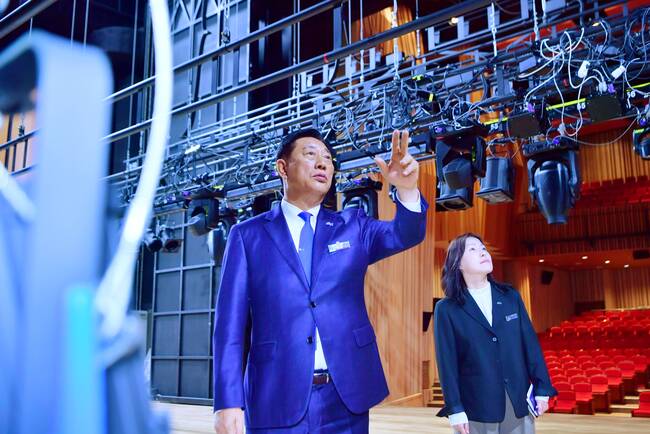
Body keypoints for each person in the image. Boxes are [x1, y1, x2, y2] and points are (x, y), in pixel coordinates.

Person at [212, 128, 428, 434]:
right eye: (310, 154)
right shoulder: (247, 236)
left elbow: (405, 234)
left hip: (346, 397)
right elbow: (229, 327)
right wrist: (228, 401)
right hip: (275, 396)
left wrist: (407, 190)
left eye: (328, 158)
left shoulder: (352, 225)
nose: (323, 163)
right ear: (283, 167)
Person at [434, 233, 556, 434]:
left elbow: (530, 345)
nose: (483, 252)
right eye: (473, 249)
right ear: (458, 263)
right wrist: (455, 408)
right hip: (475, 406)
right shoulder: (447, 308)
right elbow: (447, 363)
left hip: (517, 400)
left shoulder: (510, 297)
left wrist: (542, 388)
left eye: (483, 248)